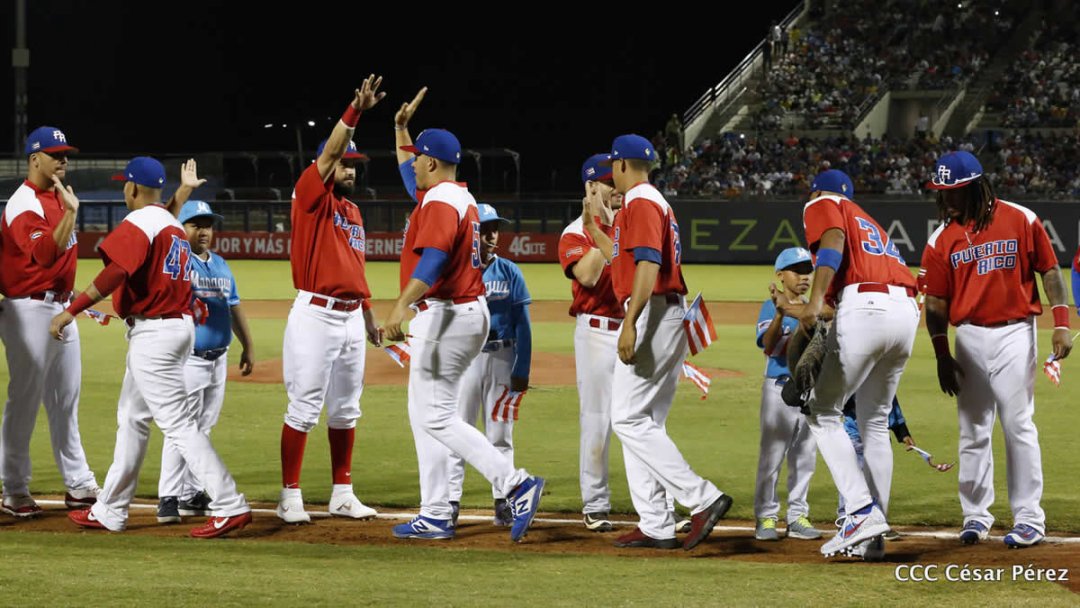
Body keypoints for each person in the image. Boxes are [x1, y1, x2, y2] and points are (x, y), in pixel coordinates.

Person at [55, 156, 251, 538]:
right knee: (131, 418)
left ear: (130, 188)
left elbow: (115, 272)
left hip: (156, 334)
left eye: (123, 186)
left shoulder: (143, 220)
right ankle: (110, 508)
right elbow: (164, 216)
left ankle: (229, 503)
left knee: (177, 423)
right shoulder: (169, 223)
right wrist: (183, 193)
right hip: (176, 329)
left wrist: (70, 311)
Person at [385, 88, 544, 542]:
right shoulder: (458, 198)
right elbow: (404, 172)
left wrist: (401, 304)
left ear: (432, 164)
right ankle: (436, 512)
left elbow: (432, 260)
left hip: (447, 315)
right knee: (427, 415)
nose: (412, 164)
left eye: (418, 158)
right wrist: (401, 128)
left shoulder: (439, 203)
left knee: (435, 416)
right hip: (466, 314)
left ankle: (516, 483)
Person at [922, 150, 1073, 548]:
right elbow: (935, 304)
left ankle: (1028, 517)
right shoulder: (941, 239)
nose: (947, 199)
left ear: (975, 186)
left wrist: (1061, 324)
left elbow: (1050, 271)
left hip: (1014, 333)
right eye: (942, 192)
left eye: (953, 191)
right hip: (968, 335)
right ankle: (975, 515)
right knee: (972, 430)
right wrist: (941, 353)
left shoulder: (1020, 218)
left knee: (1018, 423)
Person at [604, 133, 732, 551]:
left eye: (612, 167)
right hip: (667, 311)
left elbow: (647, 263)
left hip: (654, 311)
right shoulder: (654, 200)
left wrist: (630, 321)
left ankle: (702, 497)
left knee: (626, 418)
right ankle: (656, 522)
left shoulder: (641, 200)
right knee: (645, 421)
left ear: (621, 165)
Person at [276, 75, 385, 524]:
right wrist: (353, 113)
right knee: (303, 407)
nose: (350, 171)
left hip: (349, 318)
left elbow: (354, 270)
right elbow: (330, 152)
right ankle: (290, 496)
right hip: (315, 315)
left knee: (346, 408)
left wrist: (369, 314)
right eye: (345, 165)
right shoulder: (310, 195)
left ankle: (343, 492)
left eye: (355, 166)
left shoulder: (353, 211)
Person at [799, 169, 919, 558]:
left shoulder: (824, 202)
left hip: (866, 306)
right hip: (904, 312)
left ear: (820, 190)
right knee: (874, 421)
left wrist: (814, 302)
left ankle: (860, 512)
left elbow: (831, 242)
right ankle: (873, 537)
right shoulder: (868, 223)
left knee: (821, 413)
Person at [0, 126, 99, 516]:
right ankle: (14, 488)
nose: (63, 160)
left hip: (60, 308)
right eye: (55, 154)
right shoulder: (24, 202)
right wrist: (72, 213)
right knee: (24, 401)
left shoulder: (58, 197)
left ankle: (78, 484)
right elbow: (42, 256)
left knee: (65, 402)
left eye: (65, 154)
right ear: (34, 159)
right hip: (28, 309)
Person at [156, 200, 255, 524]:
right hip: (190, 360)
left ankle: (190, 492)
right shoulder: (179, 263)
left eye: (207, 225)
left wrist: (248, 346)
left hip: (218, 360)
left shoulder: (221, 264)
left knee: (204, 428)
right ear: (181, 229)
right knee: (181, 428)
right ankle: (168, 497)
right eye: (195, 224)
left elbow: (234, 307)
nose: (203, 231)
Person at [446, 204, 531, 527]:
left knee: (500, 434)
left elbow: (523, 322)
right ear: (472, 233)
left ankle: (503, 501)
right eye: (486, 228)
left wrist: (522, 366)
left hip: (501, 358)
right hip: (465, 359)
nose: (493, 235)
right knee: (458, 430)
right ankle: (451, 500)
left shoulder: (509, 271)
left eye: (496, 228)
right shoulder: (456, 270)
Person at [557, 153, 624, 533]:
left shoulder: (632, 222)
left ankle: (657, 506)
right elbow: (588, 274)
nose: (616, 187)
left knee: (639, 421)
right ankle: (595, 504)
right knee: (598, 421)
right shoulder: (573, 232)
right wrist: (606, 231)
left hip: (631, 328)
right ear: (591, 187)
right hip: (597, 334)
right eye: (608, 180)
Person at [752, 247, 821, 542]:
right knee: (772, 457)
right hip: (778, 389)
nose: (805, 277)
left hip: (808, 393)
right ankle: (766, 517)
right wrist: (780, 315)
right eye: (797, 271)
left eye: (808, 271)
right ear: (780, 276)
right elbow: (768, 345)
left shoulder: (812, 308)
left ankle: (797, 516)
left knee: (805, 457)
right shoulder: (771, 308)